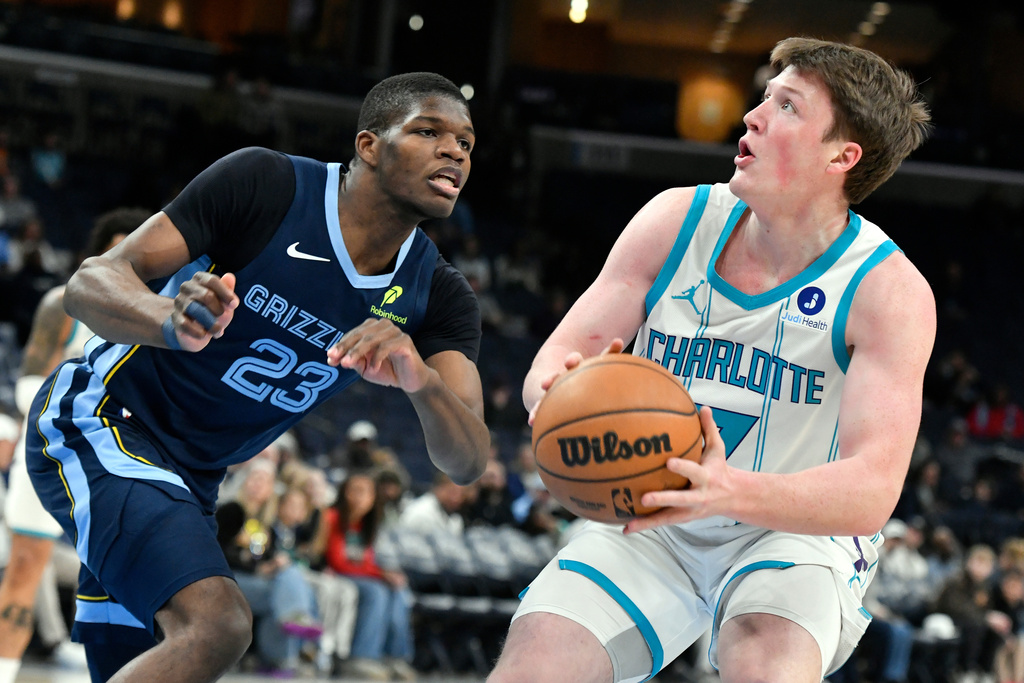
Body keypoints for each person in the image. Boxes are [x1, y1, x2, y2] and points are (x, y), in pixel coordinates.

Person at [488, 37, 935, 683]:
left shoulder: (886, 290)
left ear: (842, 155)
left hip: (790, 529)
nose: (752, 116)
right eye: (764, 98)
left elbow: (872, 489)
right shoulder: (676, 219)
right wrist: (556, 393)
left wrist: (729, 492)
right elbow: (558, 357)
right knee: (536, 662)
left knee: (768, 663)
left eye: (787, 106)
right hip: (650, 506)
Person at [24, 71, 489, 683]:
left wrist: (420, 380)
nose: (454, 150)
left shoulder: (438, 295)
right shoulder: (270, 185)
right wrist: (168, 319)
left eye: (466, 142)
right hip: (104, 421)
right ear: (369, 146)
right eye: (429, 132)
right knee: (218, 625)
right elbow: (89, 284)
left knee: (143, 662)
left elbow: (468, 460)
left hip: (194, 479)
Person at [0, 207, 148, 683]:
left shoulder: (162, 315)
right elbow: (28, 381)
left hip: (122, 458)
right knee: (25, 569)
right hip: (56, 446)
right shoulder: (63, 302)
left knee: (124, 583)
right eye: (116, 248)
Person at [324, 471, 416, 681]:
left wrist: (386, 575)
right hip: (334, 574)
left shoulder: (367, 524)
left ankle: (394, 656)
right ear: (343, 493)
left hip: (358, 575)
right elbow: (338, 562)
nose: (360, 497)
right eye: (355, 491)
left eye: (366, 493)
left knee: (398, 591)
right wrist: (381, 574)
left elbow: (366, 562)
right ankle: (362, 656)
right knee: (376, 591)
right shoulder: (332, 517)